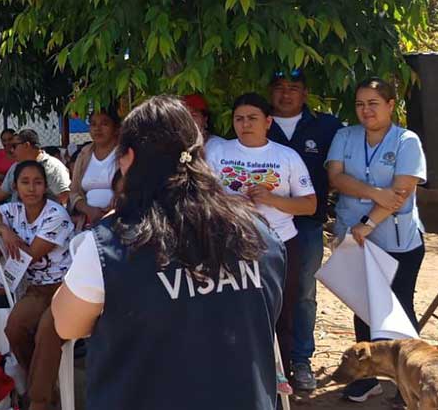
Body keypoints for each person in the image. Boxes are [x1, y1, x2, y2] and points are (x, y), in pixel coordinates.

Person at [50, 95, 286, 409]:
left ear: (128, 158)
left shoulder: (112, 242)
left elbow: (66, 324)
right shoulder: (258, 231)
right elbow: (267, 311)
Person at [327, 78, 427, 403]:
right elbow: (336, 178)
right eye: (360, 104)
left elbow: (402, 190)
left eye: (373, 103)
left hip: (397, 241)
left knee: (399, 312)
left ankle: (408, 385)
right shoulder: (345, 136)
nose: (366, 110)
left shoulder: (406, 141)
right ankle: (366, 378)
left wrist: (369, 223)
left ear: (390, 105)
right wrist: (373, 192)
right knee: (364, 309)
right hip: (355, 239)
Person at [206, 93, 316, 384]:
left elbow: (310, 205)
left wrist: (272, 200)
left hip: (280, 244)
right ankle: (237, 381)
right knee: (233, 313)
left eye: (252, 118)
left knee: (281, 312)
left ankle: (281, 381)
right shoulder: (217, 152)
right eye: (239, 119)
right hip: (231, 243)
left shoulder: (286, 156)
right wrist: (230, 203)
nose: (245, 124)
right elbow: (202, 198)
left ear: (268, 122)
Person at [0, 161, 75, 410]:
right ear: (15, 186)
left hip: (65, 288)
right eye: (25, 182)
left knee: (47, 330)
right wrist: (1, 228)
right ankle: (44, 389)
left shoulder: (56, 214)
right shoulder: (12, 211)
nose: (31, 188)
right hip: (36, 289)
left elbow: (30, 256)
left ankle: (38, 401)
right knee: (14, 328)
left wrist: (6, 232)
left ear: (45, 186)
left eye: (37, 182)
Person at [265, 69, 343, 390]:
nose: (286, 94)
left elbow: (339, 170)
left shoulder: (327, 127)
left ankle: (300, 360)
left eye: (293, 88)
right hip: (262, 225)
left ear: (305, 93)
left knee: (303, 293)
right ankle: (267, 360)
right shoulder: (257, 121)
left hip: (307, 224)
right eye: (279, 87)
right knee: (261, 290)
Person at [0, 129, 72, 205]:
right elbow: (2, 192)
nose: (11, 150)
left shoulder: (53, 167)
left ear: (26, 145)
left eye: (14, 146)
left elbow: (64, 197)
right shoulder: (16, 166)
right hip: (16, 217)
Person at [68, 107, 121, 229]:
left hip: (119, 220)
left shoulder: (124, 153)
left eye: (104, 123)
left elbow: (133, 187)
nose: (98, 128)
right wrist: (88, 209)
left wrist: (118, 202)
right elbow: (74, 192)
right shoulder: (83, 155)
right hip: (88, 222)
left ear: (116, 128)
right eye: (93, 124)